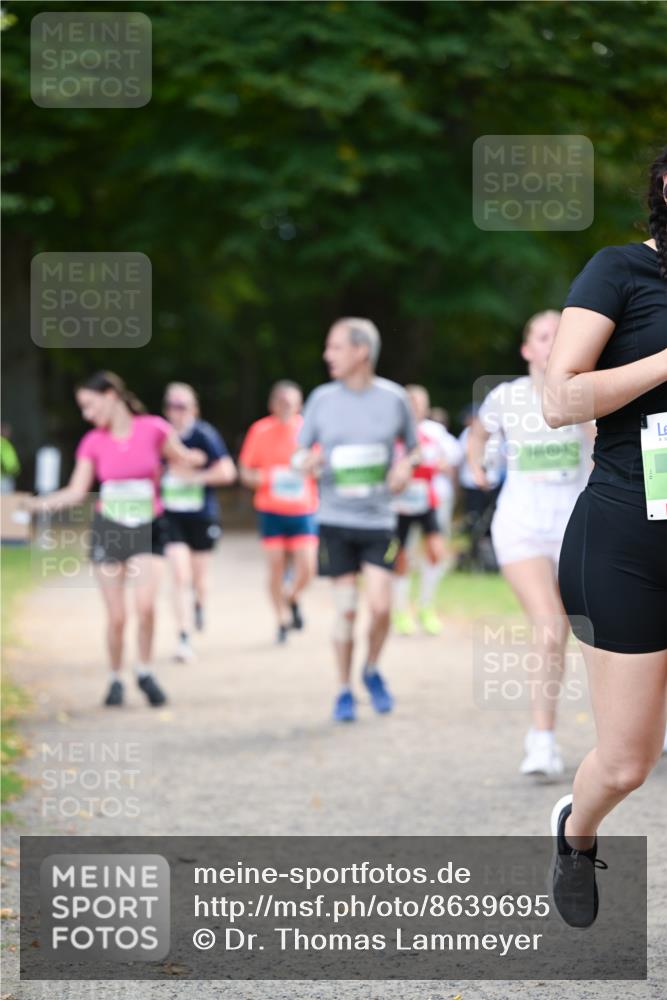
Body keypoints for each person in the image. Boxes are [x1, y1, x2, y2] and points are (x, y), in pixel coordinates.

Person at [544, 148, 667, 927]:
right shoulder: (620, 270)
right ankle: (576, 831)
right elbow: (561, 400)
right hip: (627, 538)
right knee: (626, 762)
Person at [26, 371, 207, 708]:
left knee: (146, 607)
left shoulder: (154, 429)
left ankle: (145, 670)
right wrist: (34, 504)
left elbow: (183, 457)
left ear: (111, 395)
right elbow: (77, 490)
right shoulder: (93, 441)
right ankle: (114, 677)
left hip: (149, 526)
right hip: (109, 529)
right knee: (117, 617)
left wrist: (194, 461)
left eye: (89, 406)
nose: (87, 415)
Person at [468, 311, 593, 778]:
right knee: (550, 626)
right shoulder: (505, 397)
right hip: (521, 527)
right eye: (544, 335)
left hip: (577, 525)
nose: (554, 342)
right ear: (526, 350)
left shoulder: (587, 393)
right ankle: (541, 740)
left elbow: (602, 448)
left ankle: (640, 725)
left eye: (562, 335)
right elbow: (479, 432)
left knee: (613, 630)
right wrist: (476, 466)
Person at [293, 318, 418, 722]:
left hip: (379, 520)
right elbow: (297, 456)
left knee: (381, 608)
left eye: (335, 347)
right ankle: (344, 689)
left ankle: (372, 669)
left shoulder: (394, 398)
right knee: (346, 610)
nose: (327, 355)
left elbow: (414, 451)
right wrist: (306, 462)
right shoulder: (321, 399)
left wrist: (404, 469)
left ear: (361, 351)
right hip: (334, 519)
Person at [238, 381, 319, 643]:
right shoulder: (260, 430)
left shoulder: (308, 430)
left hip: (303, 509)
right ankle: (282, 620)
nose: (286, 406)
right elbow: (246, 471)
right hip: (271, 509)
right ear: (272, 404)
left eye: (291, 402)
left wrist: (310, 469)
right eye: (281, 402)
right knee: (276, 567)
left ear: (299, 404)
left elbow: (320, 467)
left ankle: (291, 597)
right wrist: (268, 478)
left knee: (307, 567)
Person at [162, 382, 237, 661]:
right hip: (171, 516)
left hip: (201, 515)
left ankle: (199, 605)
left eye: (181, 406)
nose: (175, 412)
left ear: (193, 408)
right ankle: (183, 635)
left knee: (199, 578)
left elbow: (228, 472)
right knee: (179, 575)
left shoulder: (204, 434)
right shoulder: (161, 436)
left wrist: (196, 476)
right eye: (171, 406)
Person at [392, 386, 462, 636]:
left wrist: (442, 464)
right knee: (401, 558)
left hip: (426, 500)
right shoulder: (393, 430)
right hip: (399, 503)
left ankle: (426, 607)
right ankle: (400, 611)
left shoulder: (435, 431)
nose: (416, 406)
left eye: (420, 402)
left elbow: (454, 454)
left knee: (436, 552)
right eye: (411, 402)